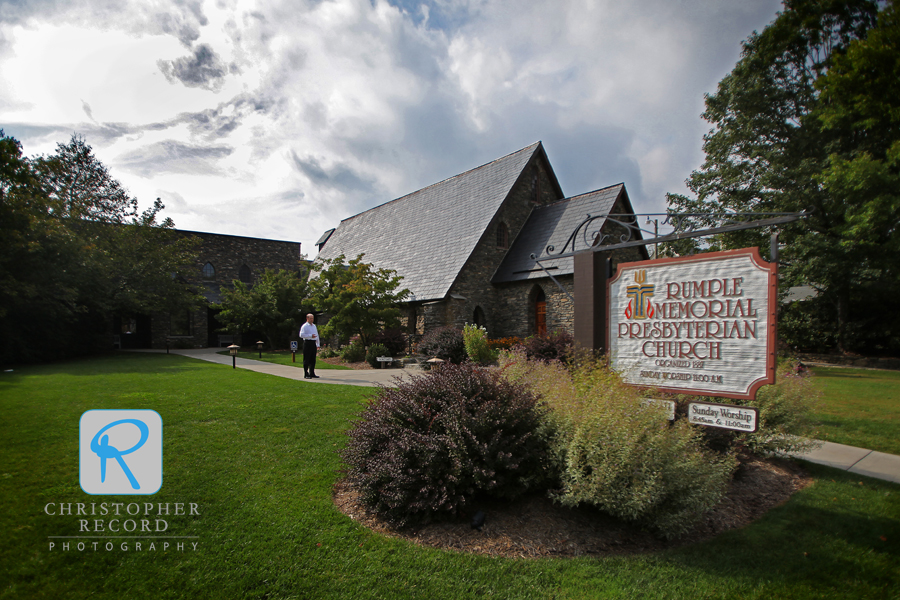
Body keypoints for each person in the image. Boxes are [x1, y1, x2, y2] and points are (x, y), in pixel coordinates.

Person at [299, 313, 320, 379]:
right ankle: (306, 373)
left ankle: (312, 373)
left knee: (313, 359)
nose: (312, 320)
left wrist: (318, 344)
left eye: (312, 318)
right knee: (307, 359)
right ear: (307, 318)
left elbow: (317, 335)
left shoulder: (314, 326)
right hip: (307, 342)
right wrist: (310, 336)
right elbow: (301, 335)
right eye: (310, 318)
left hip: (313, 343)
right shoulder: (304, 326)